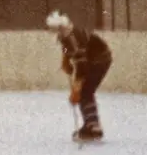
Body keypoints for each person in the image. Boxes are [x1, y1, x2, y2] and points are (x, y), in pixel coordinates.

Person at [46, 11, 112, 142]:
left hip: (99, 60)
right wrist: (65, 59)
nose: (53, 33)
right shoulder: (66, 36)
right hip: (92, 60)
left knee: (85, 92)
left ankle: (94, 127)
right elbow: (66, 49)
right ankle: (90, 124)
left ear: (60, 28)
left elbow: (82, 66)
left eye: (54, 30)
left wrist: (76, 87)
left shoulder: (73, 37)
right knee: (85, 92)